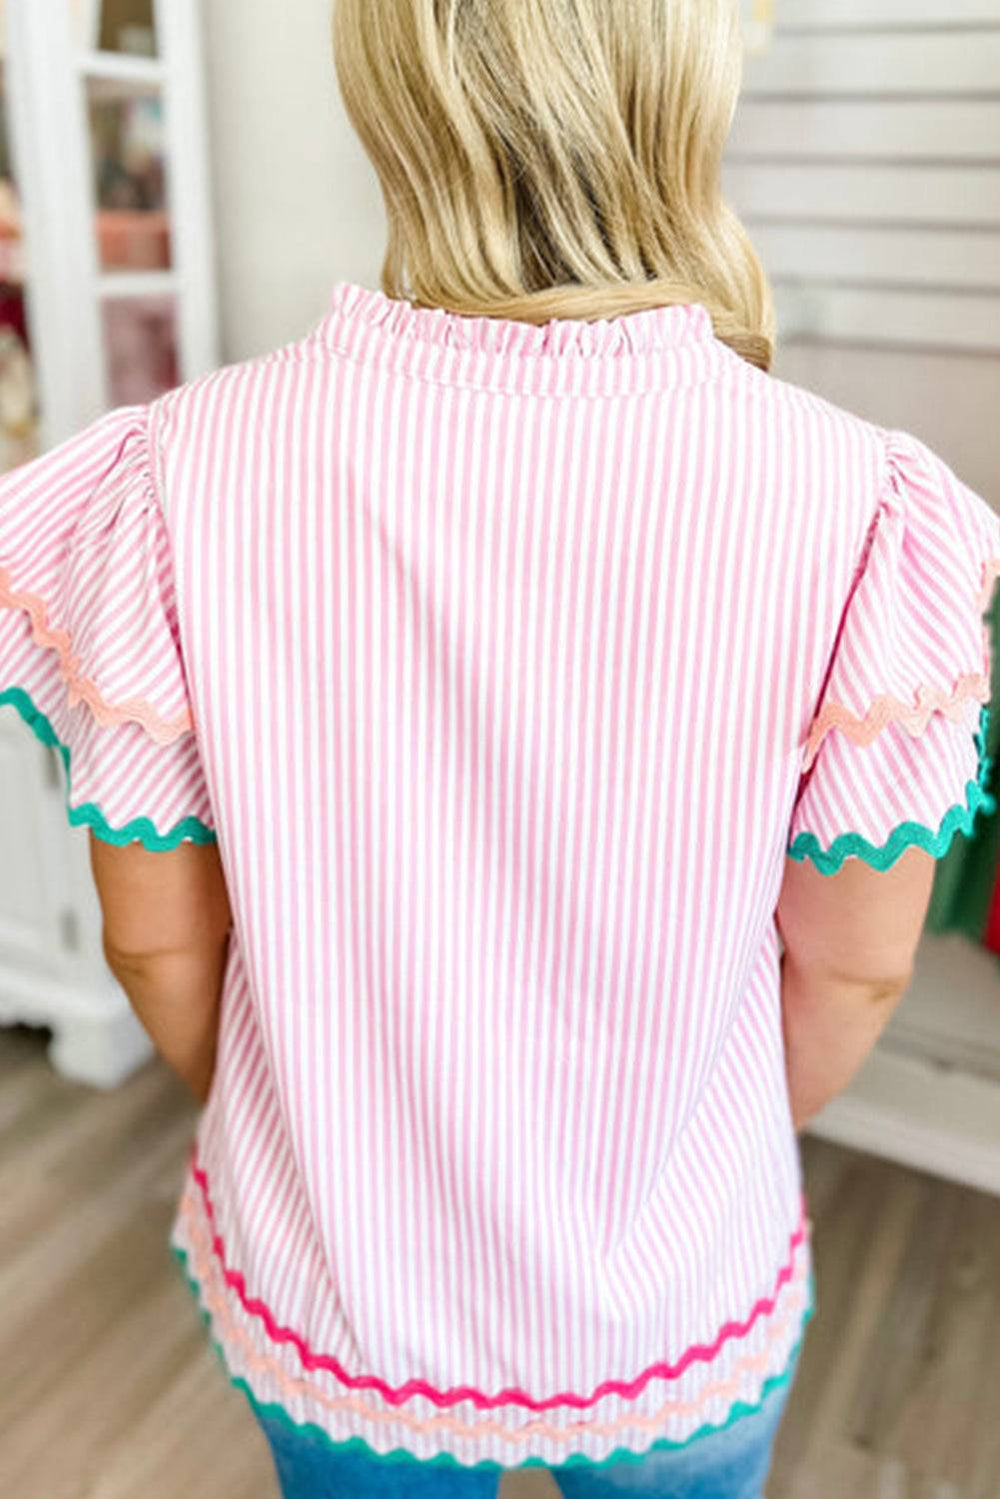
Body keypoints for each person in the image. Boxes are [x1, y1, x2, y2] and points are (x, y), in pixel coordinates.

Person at [2, 1, 999, 1494]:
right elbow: (855, 963)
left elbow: (158, 948)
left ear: (388, 85)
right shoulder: (857, 505)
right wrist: (685, 1146)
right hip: (683, 1291)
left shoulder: (181, 474)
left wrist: (312, 1107)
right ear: (689, 79)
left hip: (339, 1283)